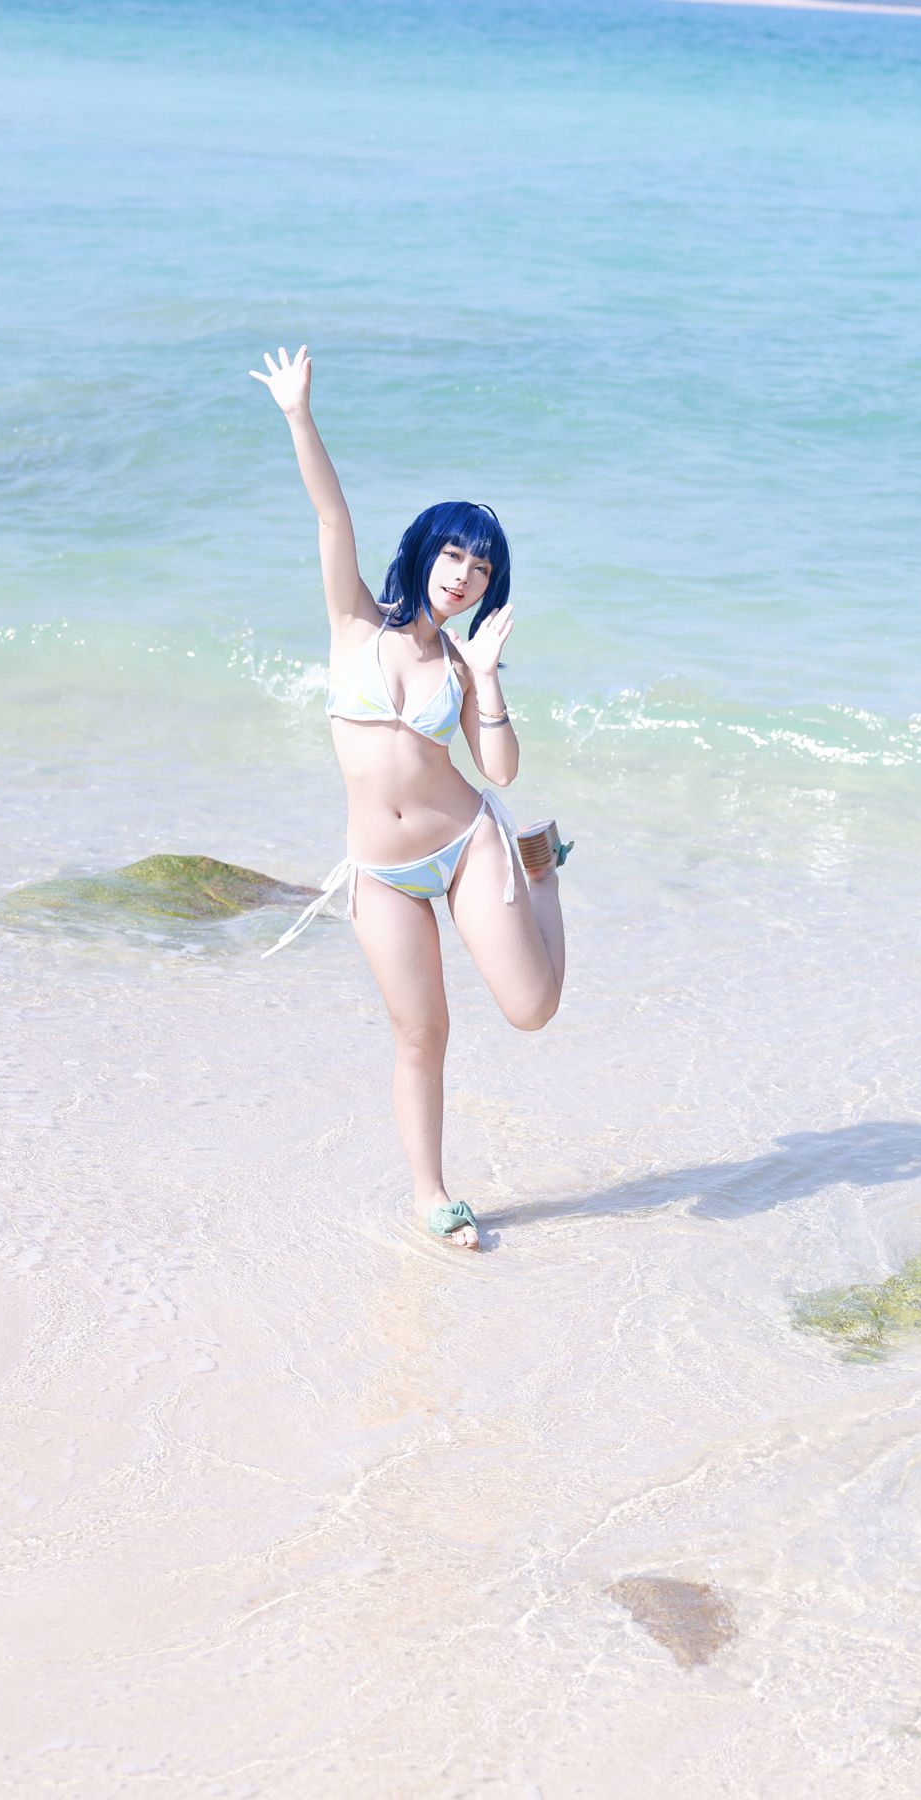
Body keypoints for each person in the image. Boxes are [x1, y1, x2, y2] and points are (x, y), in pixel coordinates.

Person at [249, 345, 568, 1249]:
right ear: (425, 550)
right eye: (453, 553)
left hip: (465, 846)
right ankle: (433, 1197)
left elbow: (499, 769)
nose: (462, 573)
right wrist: (298, 414)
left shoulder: (462, 665)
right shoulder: (354, 623)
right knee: (421, 1033)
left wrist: (488, 679)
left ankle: (543, 871)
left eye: (481, 568)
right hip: (381, 871)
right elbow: (330, 515)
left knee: (532, 1010)